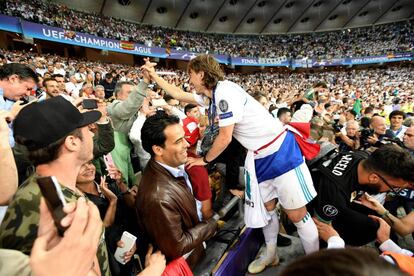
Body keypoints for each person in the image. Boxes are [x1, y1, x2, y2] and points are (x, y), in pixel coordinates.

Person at [142, 55, 319, 274]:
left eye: (190, 74)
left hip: (280, 151)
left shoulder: (224, 92)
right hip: (260, 156)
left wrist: (204, 160)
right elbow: (178, 94)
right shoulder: (213, 95)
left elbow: (225, 137)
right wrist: (154, 76)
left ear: (201, 73)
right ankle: (271, 254)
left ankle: (317, 265)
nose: (188, 78)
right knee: (268, 209)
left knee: (297, 216)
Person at [0, 96, 111, 276]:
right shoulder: (33, 203)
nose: (92, 133)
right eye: (86, 129)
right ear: (72, 142)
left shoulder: (62, 187)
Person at [136, 112, 217, 268]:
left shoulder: (172, 168)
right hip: (189, 265)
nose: (187, 144)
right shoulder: (158, 197)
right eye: (179, 141)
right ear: (158, 150)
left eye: (185, 138)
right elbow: (177, 246)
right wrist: (210, 224)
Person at [312, 144, 414, 246]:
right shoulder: (335, 198)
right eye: (393, 187)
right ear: (374, 178)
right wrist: (335, 241)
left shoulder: (361, 156)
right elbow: (320, 229)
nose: (392, 191)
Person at [0, 63, 38, 146]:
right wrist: (11, 114)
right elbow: (7, 143)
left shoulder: (11, 98)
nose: (28, 94)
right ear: (13, 79)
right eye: (27, 88)